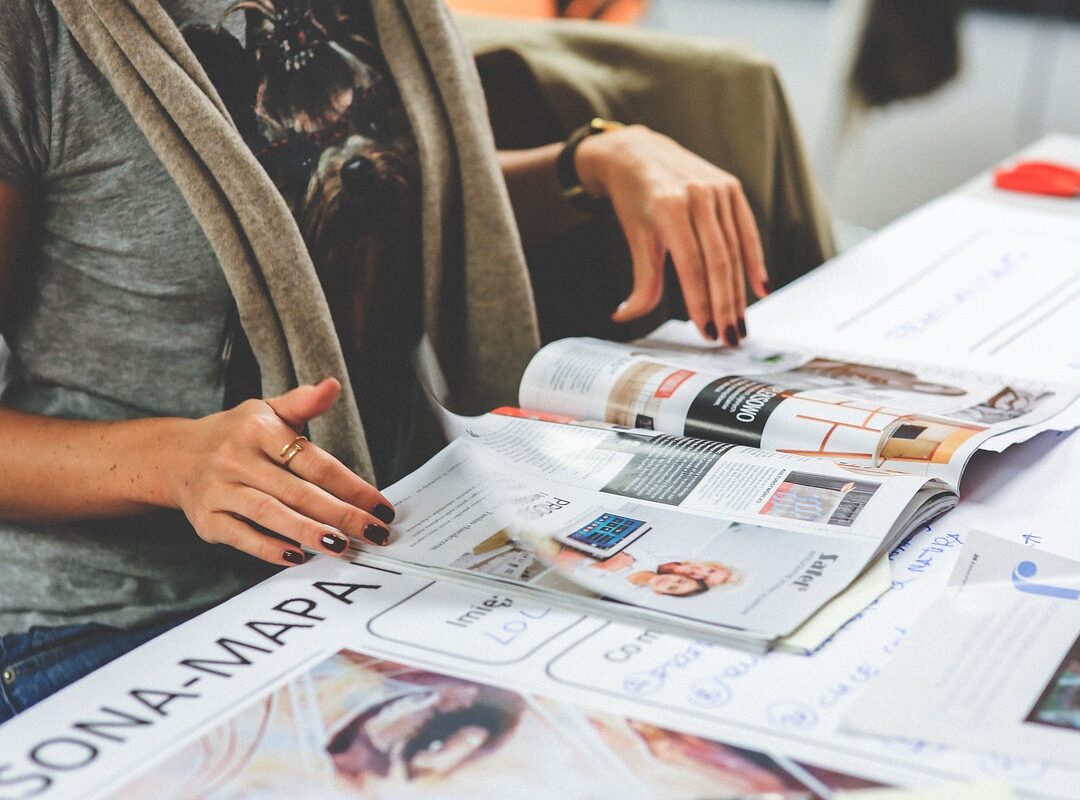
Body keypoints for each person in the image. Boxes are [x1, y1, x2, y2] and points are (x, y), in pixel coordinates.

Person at [0, 0, 770, 721]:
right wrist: (175, 461)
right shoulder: (31, 31)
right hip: (120, 616)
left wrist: (593, 161)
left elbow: (371, 201)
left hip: (394, 549)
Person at [626, 570, 710, 597]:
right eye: (680, 580)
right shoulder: (651, 557)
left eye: (671, 588)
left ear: (659, 593)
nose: (669, 583)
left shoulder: (626, 593)